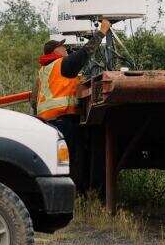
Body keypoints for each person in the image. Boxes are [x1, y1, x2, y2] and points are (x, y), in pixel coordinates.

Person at [31, 19, 112, 159]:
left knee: (56, 162)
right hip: (63, 123)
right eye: (62, 47)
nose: (65, 49)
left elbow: (33, 102)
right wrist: (102, 31)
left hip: (46, 125)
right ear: (55, 51)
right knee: (71, 163)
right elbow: (85, 53)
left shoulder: (43, 72)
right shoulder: (62, 64)